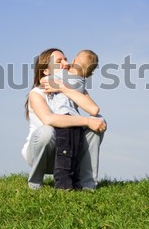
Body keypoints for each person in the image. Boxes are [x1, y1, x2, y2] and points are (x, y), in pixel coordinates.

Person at [21, 48, 106, 190]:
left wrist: (63, 88)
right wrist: (86, 121)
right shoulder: (36, 94)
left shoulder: (70, 87)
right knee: (47, 131)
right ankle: (35, 183)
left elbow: (93, 109)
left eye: (66, 59)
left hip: (69, 151)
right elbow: (49, 119)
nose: (66, 64)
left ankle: (87, 184)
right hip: (43, 154)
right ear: (46, 71)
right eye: (60, 61)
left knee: (99, 120)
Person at [41, 50, 99, 190]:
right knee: (74, 155)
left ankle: (63, 185)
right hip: (76, 121)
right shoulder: (81, 84)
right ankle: (77, 183)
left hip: (64, 119)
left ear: (74, 61)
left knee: (64, 154)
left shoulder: (62, 76)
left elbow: (44, 81)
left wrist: (54, 82)